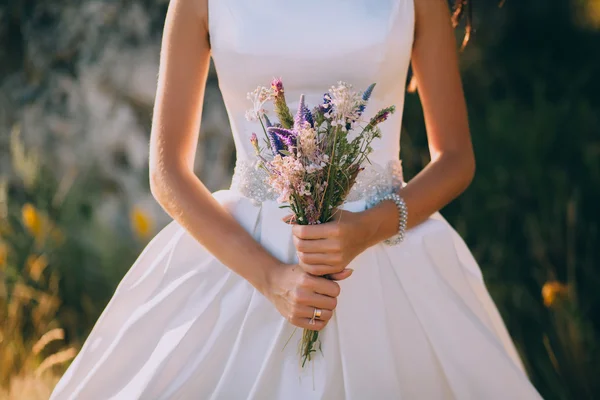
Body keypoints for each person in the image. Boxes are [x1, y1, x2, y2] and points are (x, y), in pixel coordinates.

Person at [51, 0, 543, 398]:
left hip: (391, 258)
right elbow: (167, 174)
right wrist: (274, 279)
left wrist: (367, 229)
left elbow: (456, 158)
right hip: (244, 261)